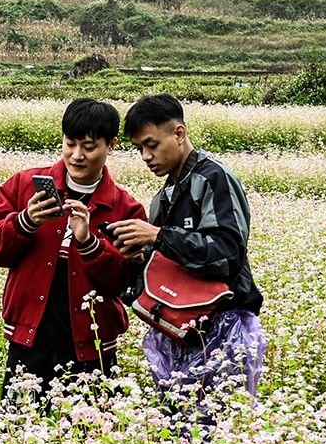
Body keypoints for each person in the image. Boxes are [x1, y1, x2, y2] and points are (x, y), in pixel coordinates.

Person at [105, 93, 266, 419]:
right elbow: (165, 272)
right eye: (139, 149)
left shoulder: (213, 179)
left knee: (221, 435)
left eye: (152, 144)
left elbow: (227, 257)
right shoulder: (162, 198)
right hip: (177, 333)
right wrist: (139, 258)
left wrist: (159, 236)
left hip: (224, 326)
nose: (146, 156)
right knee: (179, 435)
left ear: (179, 134)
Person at [0, 98, 145, 396]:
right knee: (19, 431)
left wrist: (89, 243)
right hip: (30, 340)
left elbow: (124, 280)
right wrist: (25, 221)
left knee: (87, 437)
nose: (77, 155)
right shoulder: (24, 185)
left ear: (112, 145)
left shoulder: (125, 207)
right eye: (70, 144)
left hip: (92, 348)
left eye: (89, 147)